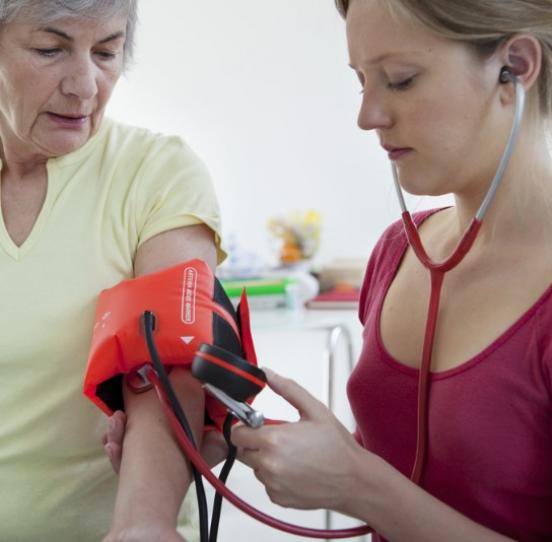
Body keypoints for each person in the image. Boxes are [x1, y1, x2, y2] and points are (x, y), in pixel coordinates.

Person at [106, 0, 552, 540]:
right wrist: (265, 447)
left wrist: (358, 484)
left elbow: (378, 488)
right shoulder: (398, 253)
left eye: (400, 80)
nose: (368, 116)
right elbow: (418, 479)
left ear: (518, 67)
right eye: (362, 81)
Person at [0, 1, 226, 541]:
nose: (85, 85)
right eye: (50, 50)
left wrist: (142, 526)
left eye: (107, 51)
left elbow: (167, 364)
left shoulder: (157, 174)